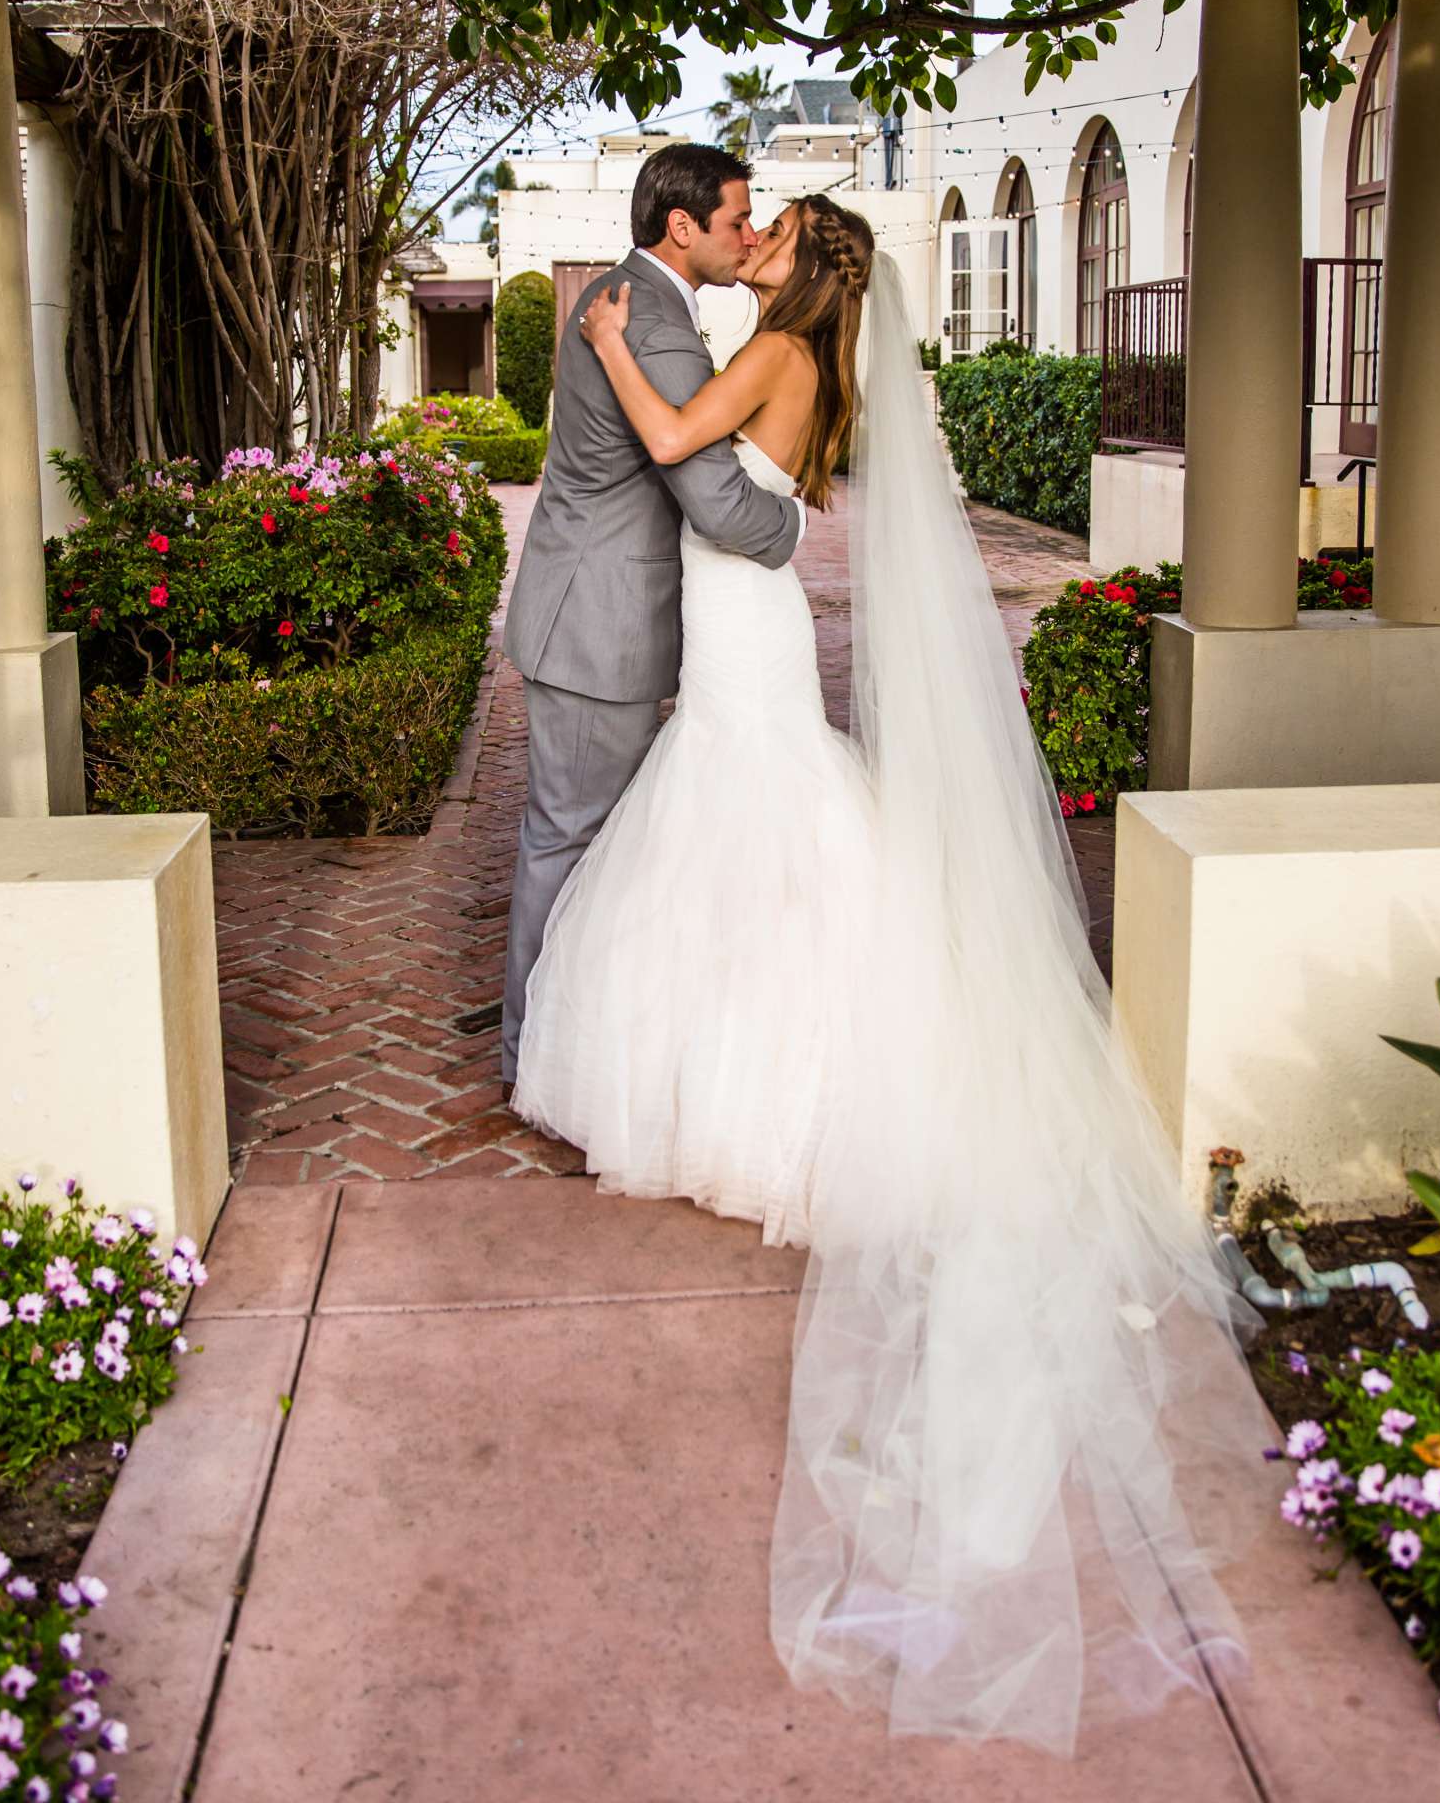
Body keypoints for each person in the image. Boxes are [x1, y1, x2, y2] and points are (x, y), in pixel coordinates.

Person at [513, 191, 1272, 1755]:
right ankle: (753, 1058)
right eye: (754, 219)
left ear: (812, 260)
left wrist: (603, 336)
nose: (759, 237)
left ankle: (767, 1086)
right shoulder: (812, 345)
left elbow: (671, 446)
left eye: (777, 225)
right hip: (747, 619)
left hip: (746, 626)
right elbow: (749, 485)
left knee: (756, 823)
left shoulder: (784, 347)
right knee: (750, 825)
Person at [500, 143, 805, 1100]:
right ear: (685, 227)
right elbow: (717, 502)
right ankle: (538, 1063)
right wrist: (788, 518)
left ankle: (577, 1054)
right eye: (737, 220)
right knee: (572, 841)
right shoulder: (657, 329)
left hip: (587, 608)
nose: (748, 234)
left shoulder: (635, 306)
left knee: (593, 841)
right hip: (599, 627)